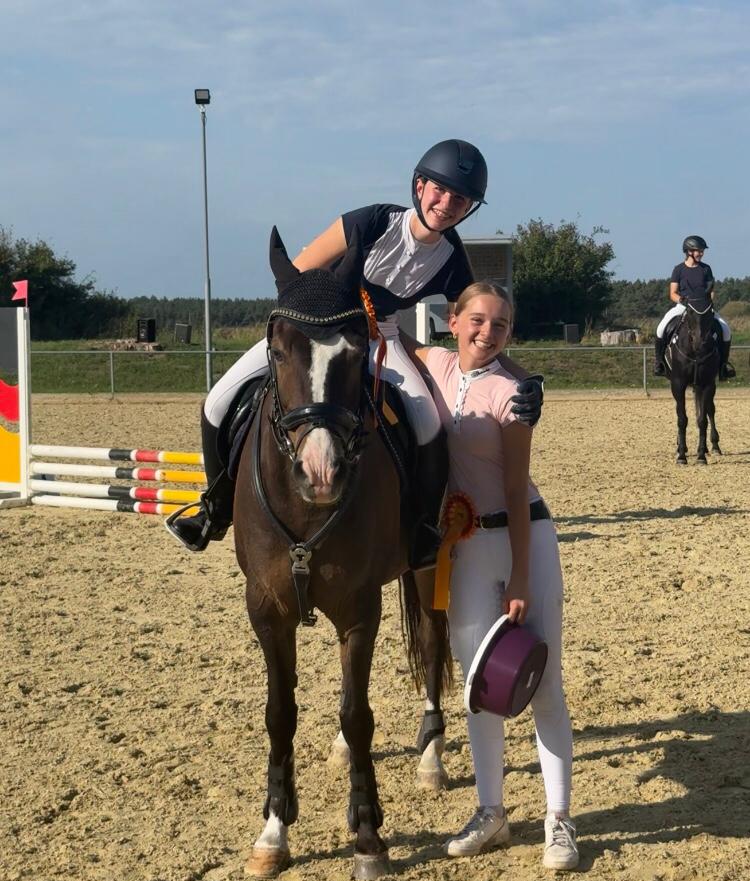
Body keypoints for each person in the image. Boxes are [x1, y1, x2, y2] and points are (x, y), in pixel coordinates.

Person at [168, 140, 544, 565]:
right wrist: (317, 324)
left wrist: (525, 378)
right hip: (317, 328)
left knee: (428, 423)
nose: (446, 204)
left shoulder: (452, 257)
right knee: (217, 401)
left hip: (381, 336)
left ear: (469, 207)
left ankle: (421, 527)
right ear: (419, 186)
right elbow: (301, 271)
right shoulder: (372, 221)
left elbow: (478, 329)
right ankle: (215, 509)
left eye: (460, 198)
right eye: (439, 190)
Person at [405, 282, 578, 871]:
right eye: (477, 320)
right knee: (479, 688)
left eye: (501, 324)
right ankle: (491, 812)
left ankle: (559, 820)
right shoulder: (434, 364)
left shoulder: (512, 395)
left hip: (523, 536)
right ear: (452, 320)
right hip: (468, 543)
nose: (487, 332)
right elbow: (388, 339)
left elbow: (514, 487)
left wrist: (521, 577)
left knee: (545, 685)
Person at [654, 235, 735, 379]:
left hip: (703, 307)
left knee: (726, 329)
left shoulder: (706, 269)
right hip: (683, 306)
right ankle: (659, 363)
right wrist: (682, 300)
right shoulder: (678, 269)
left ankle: (724, 366)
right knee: (661, 328)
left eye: (702, 251)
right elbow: (672, 293)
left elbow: (711, 291)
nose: (701, 253)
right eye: (699, 251)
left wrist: (708, 302)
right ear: (689, 251)